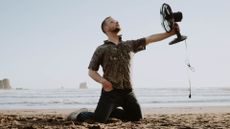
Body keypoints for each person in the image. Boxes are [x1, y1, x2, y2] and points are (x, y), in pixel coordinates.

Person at [67, 16, 179, 123]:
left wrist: (171, 33)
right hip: (110, 92)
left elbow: (150, 39)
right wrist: (104, 82)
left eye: (116, 21)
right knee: (99, 120)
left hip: (128, 91)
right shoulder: (101, 49)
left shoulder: (129, 45)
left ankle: (109, 112)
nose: (116, 22)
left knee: (136, 118)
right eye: (112, 22)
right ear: (105, 28)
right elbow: (91, 71)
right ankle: (80, 113)